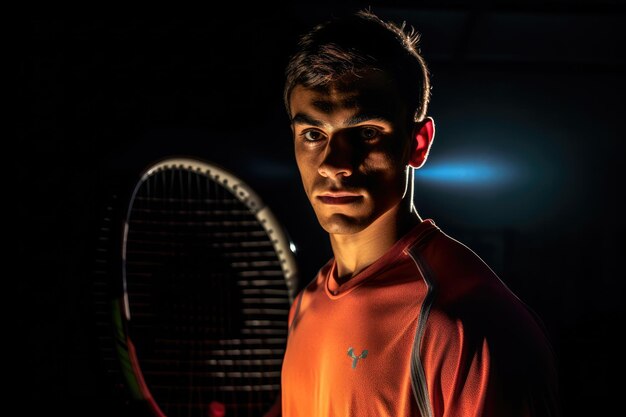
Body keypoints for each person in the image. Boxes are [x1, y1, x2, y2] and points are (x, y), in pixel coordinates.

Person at [274, 8, 561, 417]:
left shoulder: (467, 325)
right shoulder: (306, 305)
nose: (334, 162)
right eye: (314, 134)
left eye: (366, 133)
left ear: (419, 143)